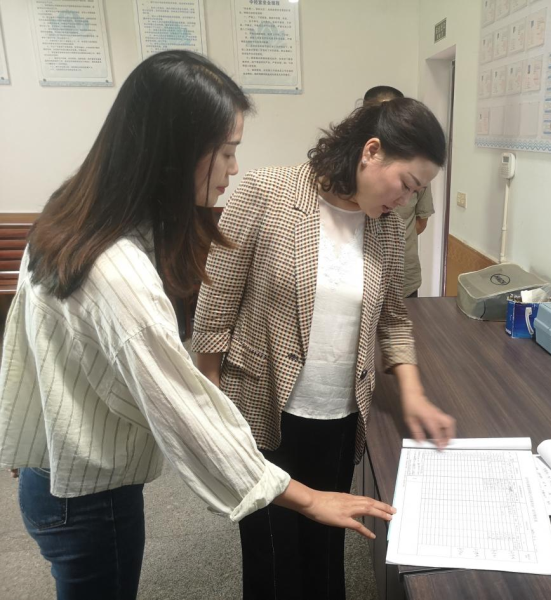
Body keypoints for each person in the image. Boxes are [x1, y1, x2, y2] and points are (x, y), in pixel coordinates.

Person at [0, 50, 394, 600]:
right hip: (89, 494)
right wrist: (308, 499)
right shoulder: (117, 271)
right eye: (226, 151)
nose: (234, 168)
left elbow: (26, 347)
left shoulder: (67, 216)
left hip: (54, 472)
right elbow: (183, 413)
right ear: (175, 151)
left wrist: (26, 441)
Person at [192, 97, 456, 600]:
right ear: (371, 152)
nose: (406, 200)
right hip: (262, 409)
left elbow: (393, 319)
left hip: (339, 416)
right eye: (406, 184)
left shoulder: (385, 226)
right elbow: (216, 302)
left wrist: (414, 394)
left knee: (326, 551)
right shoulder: (268, 192)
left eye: (416, 192)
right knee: (272, 560)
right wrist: (211, 403)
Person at [363, 85, 436, 298]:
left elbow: (420, 222)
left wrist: (392, 241)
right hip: (360, 278)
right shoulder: (356, 164)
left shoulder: (416, 169)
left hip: (403, 275)